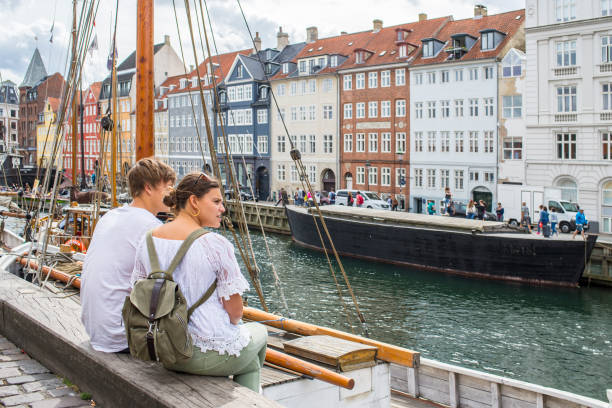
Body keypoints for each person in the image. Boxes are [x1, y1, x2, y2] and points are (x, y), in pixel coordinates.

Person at [131, 172, 267, 392]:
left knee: (248, 362)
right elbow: (235, 313)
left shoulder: (147, 240)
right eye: (216, 201)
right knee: (260, 333)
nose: (222, 208)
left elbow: (137, 292)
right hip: (200, 352)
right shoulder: (215, 245)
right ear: (194, 201)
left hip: (163, 348)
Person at [80, 158, 176, 353]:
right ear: (148, 188)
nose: (172, 193)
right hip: (122, 335)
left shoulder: (110, 216)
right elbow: (169, 282)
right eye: (168, 187)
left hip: (97, 329)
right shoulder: (151, 226)